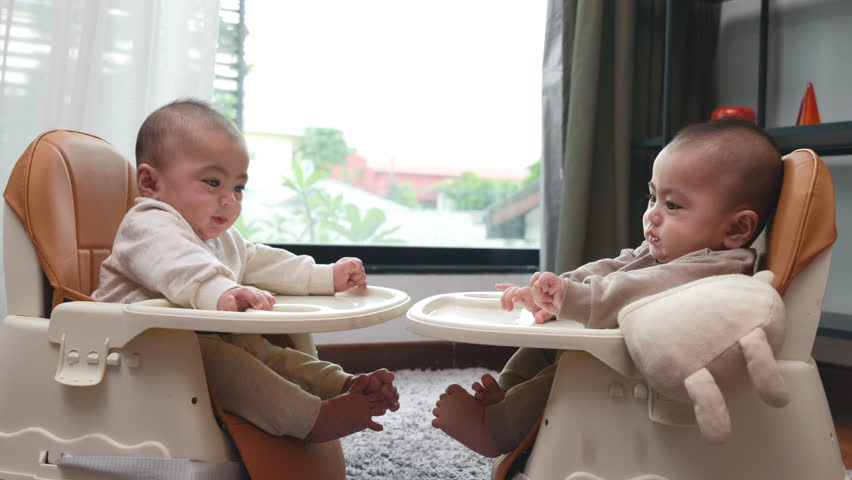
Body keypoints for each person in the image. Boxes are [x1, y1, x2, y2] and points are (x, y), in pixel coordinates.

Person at [431, 118, 784, 457]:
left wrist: (574, 298)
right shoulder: (668, 249)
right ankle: (506, 395)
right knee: (541, 343)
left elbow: (640, 287)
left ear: (737, 230)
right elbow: (619, 266)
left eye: (672, 205)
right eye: (652, 198)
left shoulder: (717, 267)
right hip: (619, 341)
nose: (653, 215)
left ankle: (497, 429)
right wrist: (559, 287)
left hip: (644, 366)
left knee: (576, 370)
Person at [93, 98, 399, 442]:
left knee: (266, 353)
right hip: (133, 352)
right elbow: (179, 265)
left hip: (191, 343)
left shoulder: (221, 239)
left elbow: (261, 261)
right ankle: (311, 418)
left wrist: (324, 276)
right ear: (151, 183)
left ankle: (341, 384)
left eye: (238, 187)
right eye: (212, 183)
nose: (229, 200)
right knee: (228, 364)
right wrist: (220, 290)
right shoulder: (147, 224)